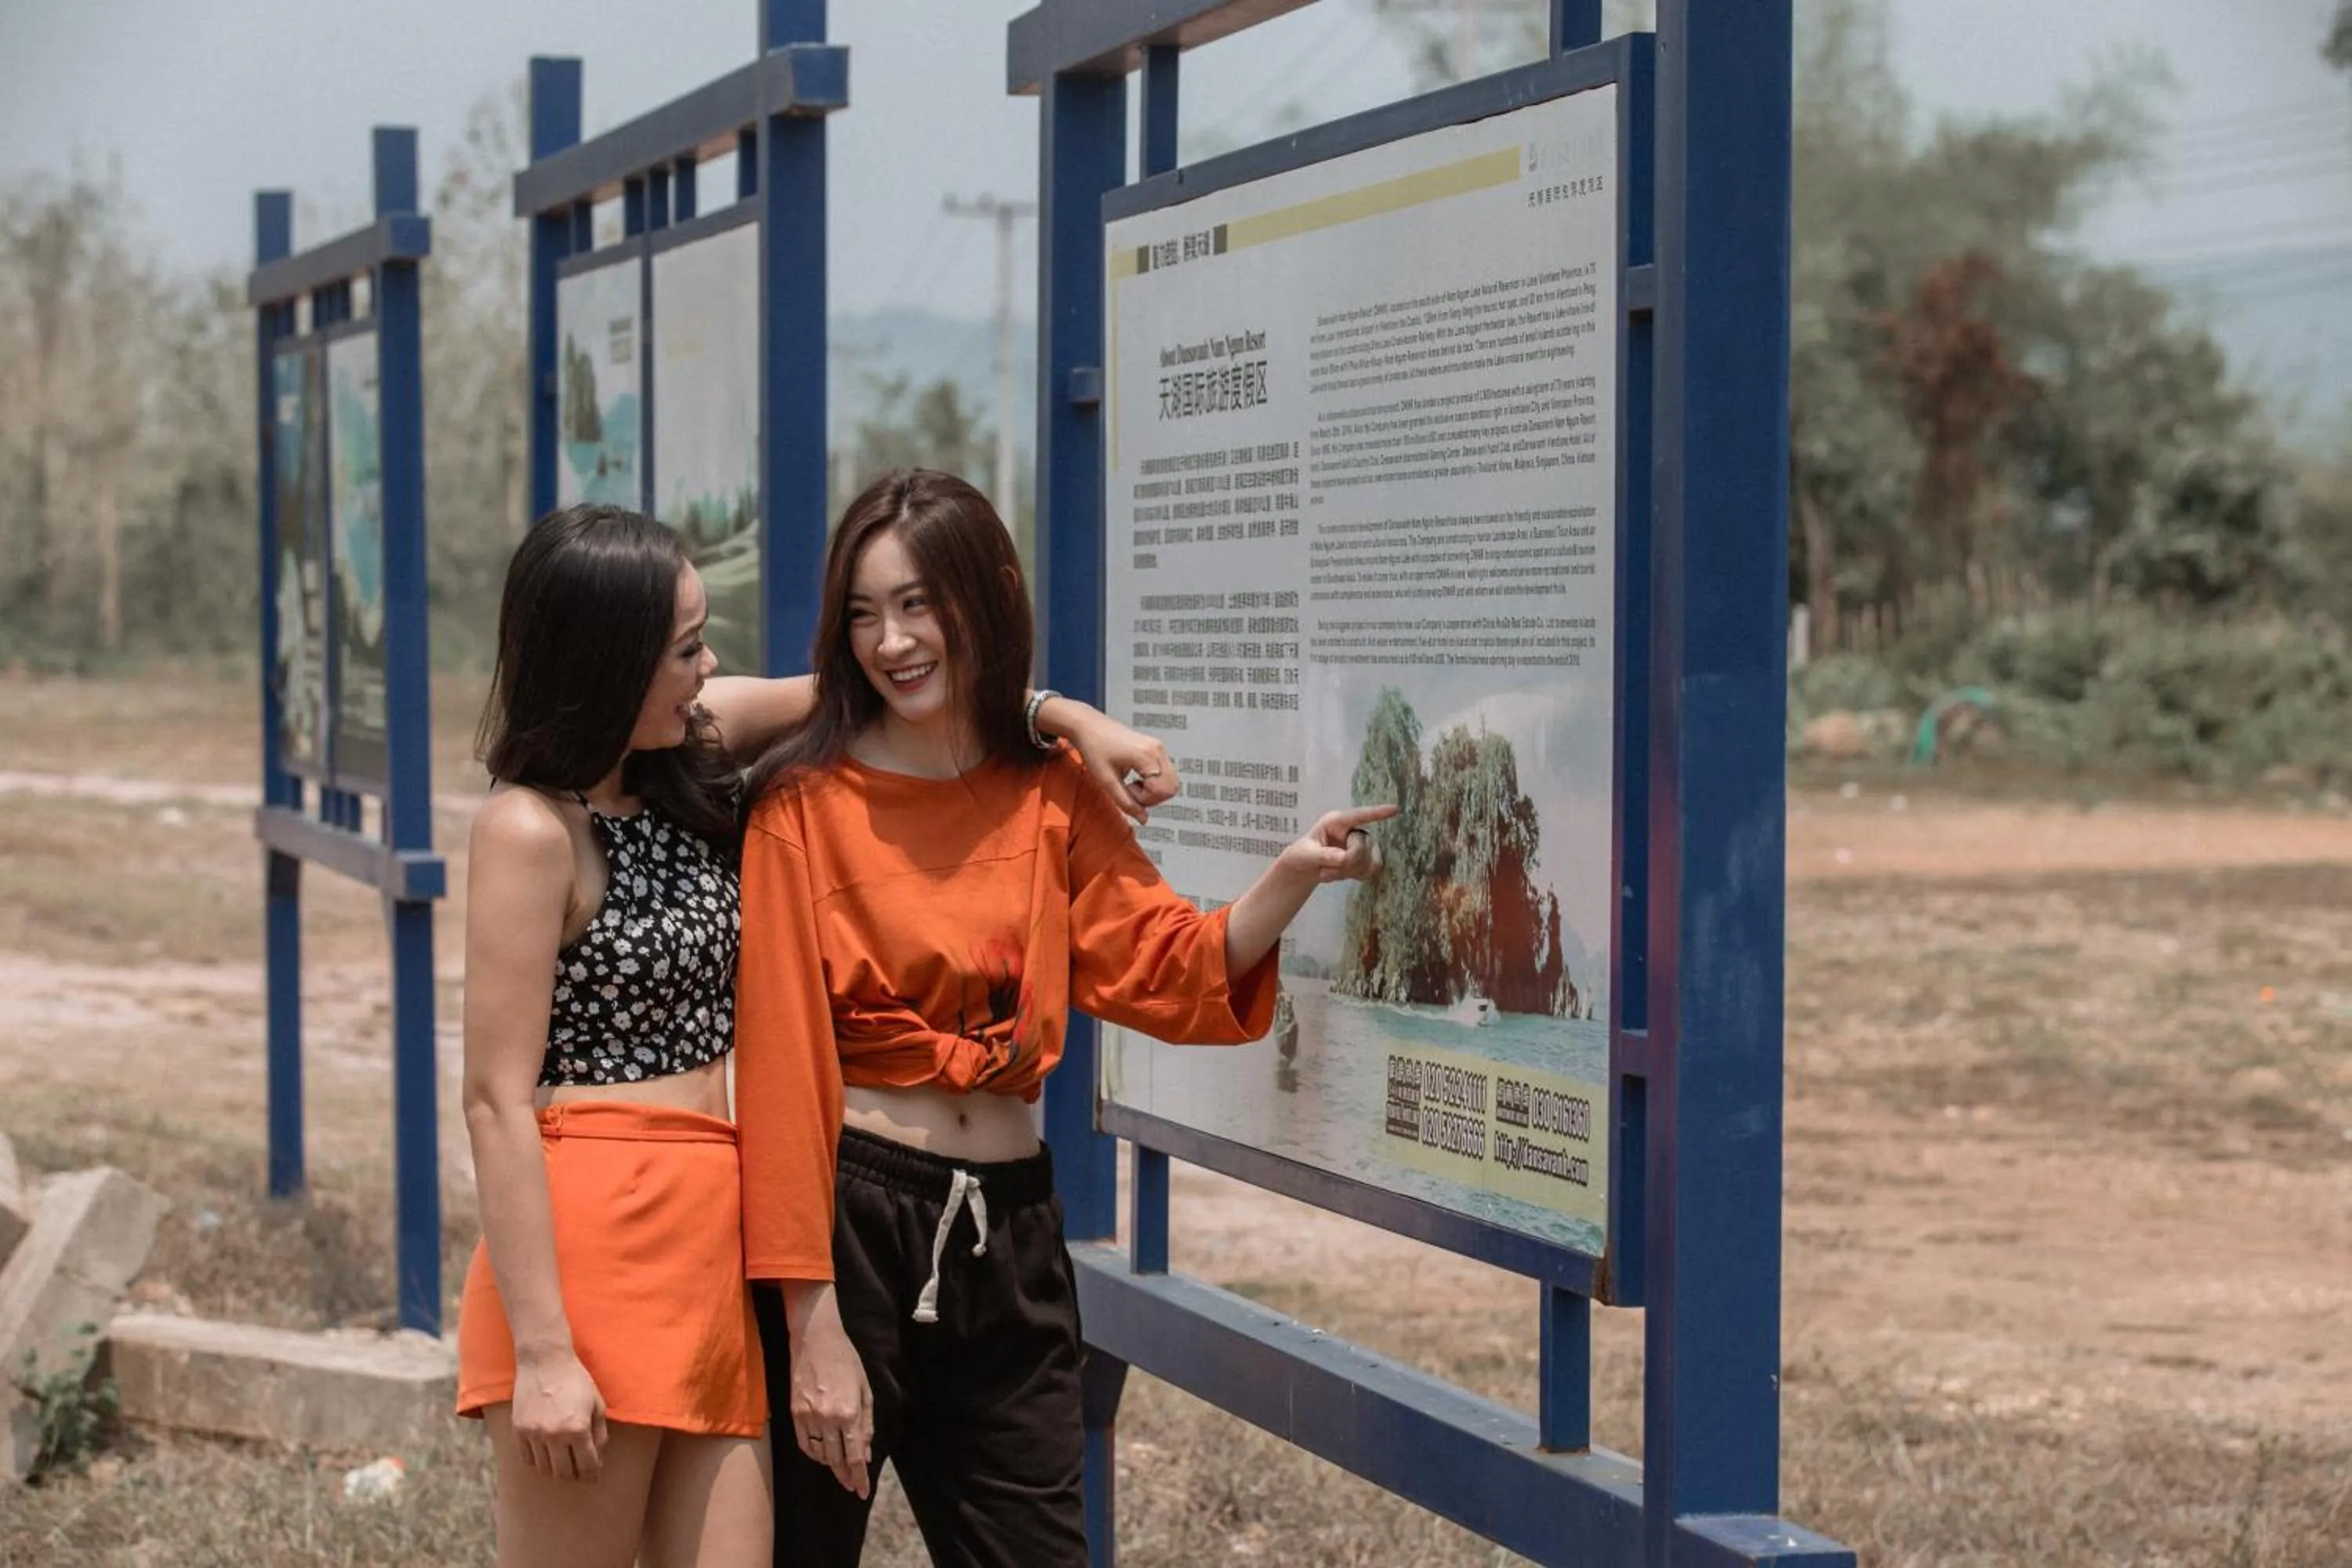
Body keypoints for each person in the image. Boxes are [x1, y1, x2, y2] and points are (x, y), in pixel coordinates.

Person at [454, 503, 1172, 1568]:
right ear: (611, 660)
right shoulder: (528, 829)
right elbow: (494, 1101)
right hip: (595, 1239)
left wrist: (1070, 719)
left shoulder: (681, 757)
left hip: (712, 1240)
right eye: (686, 648)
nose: (707, 670)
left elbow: (897, 688)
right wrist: (547, 1351)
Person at [732, 470, 1392, 1566]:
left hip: (1012, 1228)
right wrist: (810, 1326)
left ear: (982, 601)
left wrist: (1290, 877)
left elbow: (1167, 965)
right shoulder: (801, 807)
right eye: (862, 612)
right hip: (851, 1227)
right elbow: (783, 1072)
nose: (890, 639)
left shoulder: (1052, 794)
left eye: (917, 604)